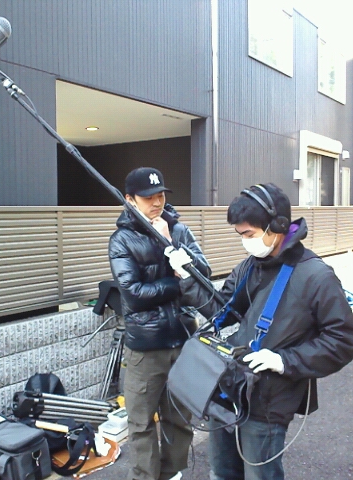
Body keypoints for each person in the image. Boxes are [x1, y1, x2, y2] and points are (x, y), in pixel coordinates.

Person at [177, 183, 353, 480]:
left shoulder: (315, 276)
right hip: (229, 386)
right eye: (240, 235)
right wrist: (187, 277)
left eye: (249, 234)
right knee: (222, 472)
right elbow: (222, 311)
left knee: (260, 476)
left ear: (277, 226)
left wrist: (285, 360)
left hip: (269, 399)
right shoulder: (251, 266)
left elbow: (344, 339)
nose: (244, 242)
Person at [108, 166, 211, 480]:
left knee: (179, 417)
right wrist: (179, 283)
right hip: (145, 347)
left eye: (161, 195)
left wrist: (170, 243)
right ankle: (145, 476)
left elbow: (204, 273)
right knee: (140, 422)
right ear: (130, 199)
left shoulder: (178, 230)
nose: (156, 202)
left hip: (183, 339)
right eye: (148, 197)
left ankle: (172, 473)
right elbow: (134, 294)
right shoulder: (122, 239)